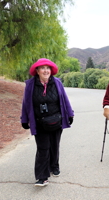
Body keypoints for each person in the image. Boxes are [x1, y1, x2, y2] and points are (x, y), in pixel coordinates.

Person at [21, 58, 74, 186]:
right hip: (39, 122)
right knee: (43, 148)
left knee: (54, 145)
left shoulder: (57, 83)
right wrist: (24, 119)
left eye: (48, 68)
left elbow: (64, 99)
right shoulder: (30, 85)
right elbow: (26, 103)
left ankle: (54, 166)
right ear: (37, 71)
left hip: (56, 120)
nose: (46, 70)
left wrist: (70, 114)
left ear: (51, 70)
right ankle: (42, 177)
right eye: (42, 68)